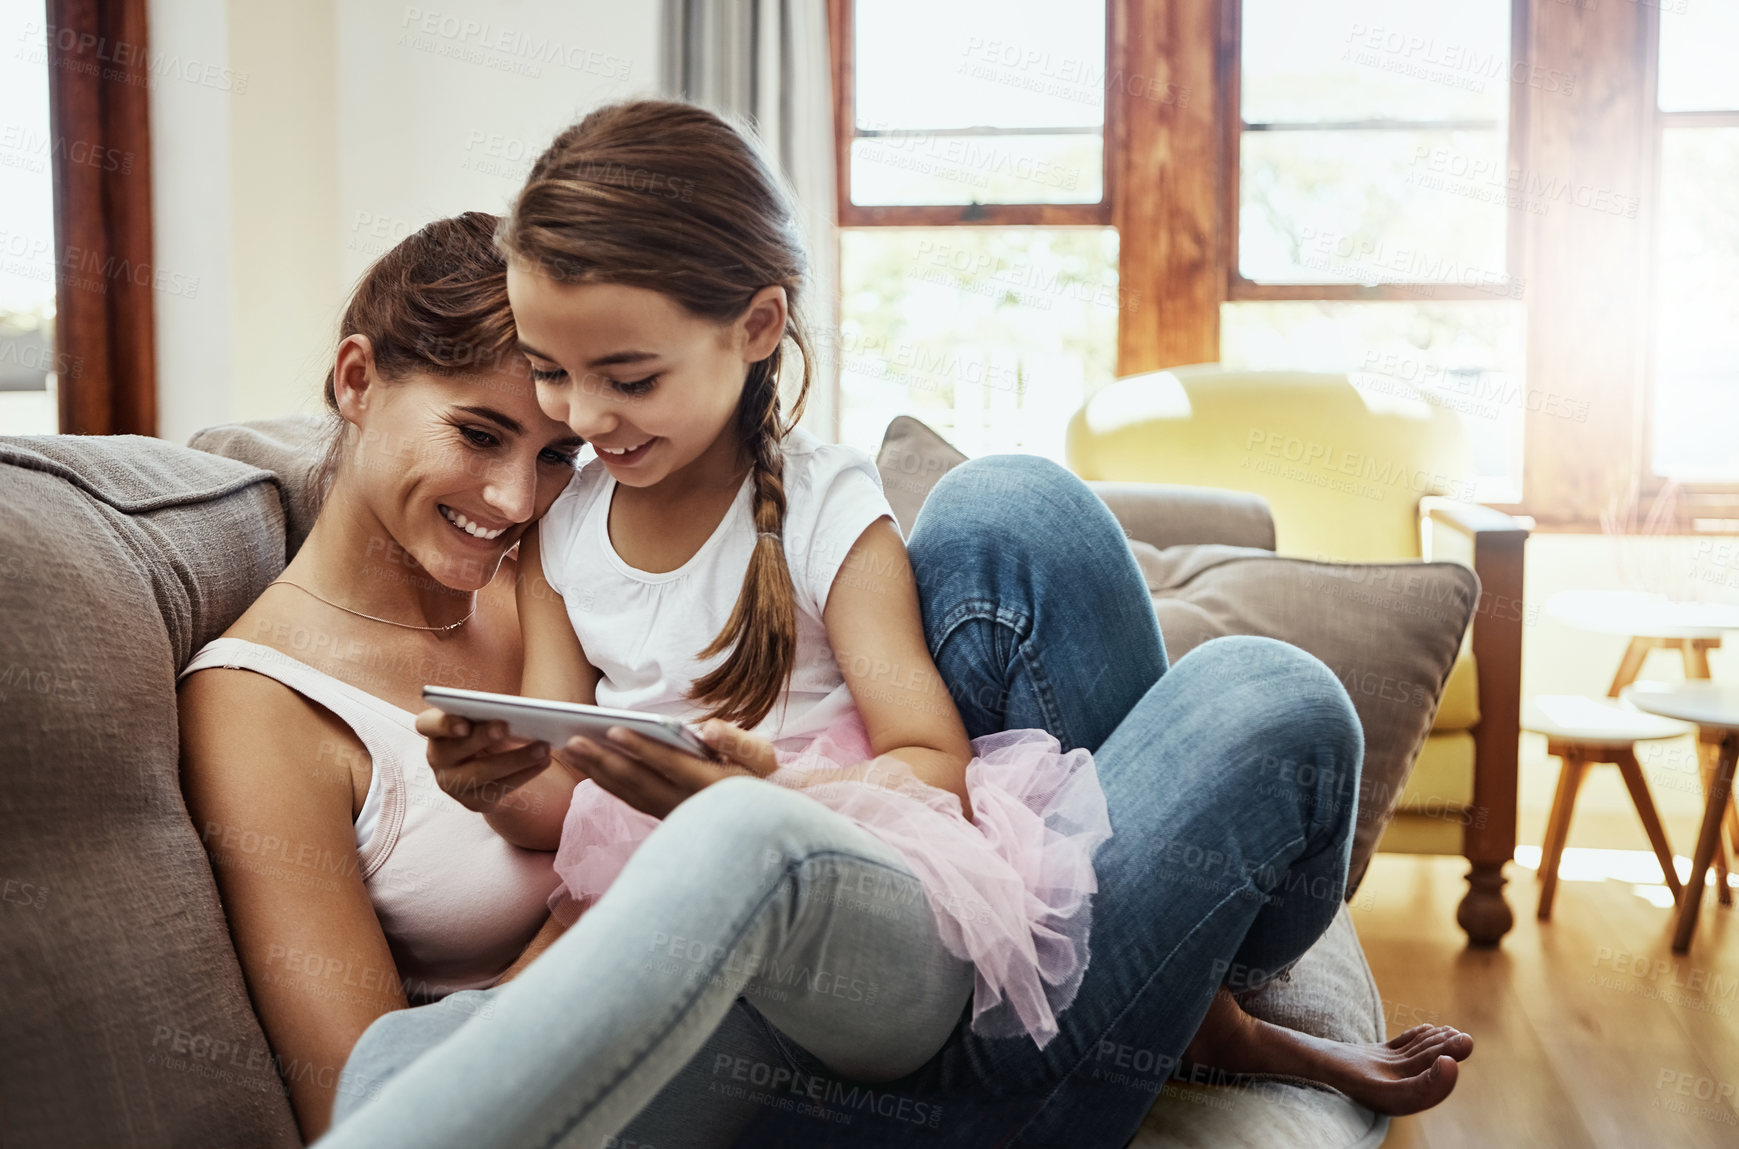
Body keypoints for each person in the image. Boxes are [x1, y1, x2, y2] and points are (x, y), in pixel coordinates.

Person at [313, 102, 1471, 1149]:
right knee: (391, 1062)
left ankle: (1190, 990)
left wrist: (757, 797)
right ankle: (1177, 1014)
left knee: (1248, 673)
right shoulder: (566, 529)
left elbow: (929, 761)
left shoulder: (819, 510)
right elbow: (570, 788)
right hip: (705, 932)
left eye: (626, 376)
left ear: (758, 327)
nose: (582, 419)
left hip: (866, 886)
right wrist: (496, 783)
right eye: (552, 376)